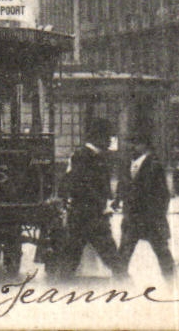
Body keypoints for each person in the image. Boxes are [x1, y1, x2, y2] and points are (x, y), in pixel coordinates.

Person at [55, 118, 126, 279]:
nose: (110, 141)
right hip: (89, 214)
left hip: (83, 215)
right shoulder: (84, 156)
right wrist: (103, 205)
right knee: (111, 256)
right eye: (107, 137)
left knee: (72, 257)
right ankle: (127, 284)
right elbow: (81, 184)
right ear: (97, 137)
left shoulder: (92, 155)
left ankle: (62, 285)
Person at [115, 134, 175, 279]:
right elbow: (123, 184)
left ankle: (173, 284)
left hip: (150, 219)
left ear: (145, 146)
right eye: (130, 143)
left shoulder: (154, 165)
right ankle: (119, 284)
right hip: (131, 218)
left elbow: (163, 195)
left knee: (163, 254)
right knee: (122, 256)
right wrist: (118, 199)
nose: (131, 147)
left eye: (135, 143)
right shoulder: (128, 163)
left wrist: (156, 215)